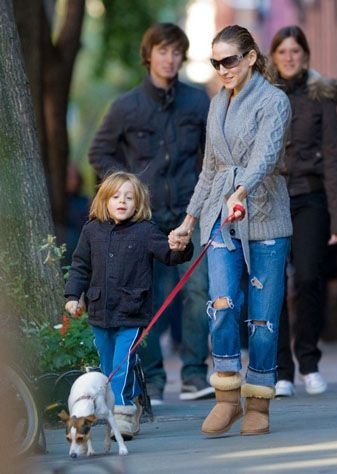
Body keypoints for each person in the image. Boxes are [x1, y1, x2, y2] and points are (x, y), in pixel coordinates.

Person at [170, 24, 292, 436]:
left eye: (230, 60)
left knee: (262, 319)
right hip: (219, 219)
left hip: (265, 216)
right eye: (215, 62)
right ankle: (226, 396)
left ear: (251, 58)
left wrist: (240, 192)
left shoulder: (275, 101)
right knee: (221, 304)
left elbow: (265, 157)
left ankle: (258, 401)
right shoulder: (216, 102)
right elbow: (210, 169)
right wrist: (189, 221)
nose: (222, 69)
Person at [89, 22, 212, 404]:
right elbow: (98, 153)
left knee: (198, 291)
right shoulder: (126, 106)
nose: (170, 58)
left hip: (192, 212)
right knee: (149, 298)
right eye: (162, 50)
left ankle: (194, 375)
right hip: (146, 220)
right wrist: (127, 190)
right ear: (149, 56)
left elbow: (213, 152)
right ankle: (153, 380)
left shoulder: (198, 102)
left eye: (176, 51)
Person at [64, 171, 193, 440]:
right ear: (104, 200)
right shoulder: (91, 230)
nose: (122, 201)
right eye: (116, 196)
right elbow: (80, 266)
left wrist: (181, 246)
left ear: (138, 203)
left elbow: (170, 254)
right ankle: (131, 401)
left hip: (132, 311)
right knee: (107, 363)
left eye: (129, 197)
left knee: (122, 363)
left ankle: (121, 414)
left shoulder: (145, 231)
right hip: (99, 311)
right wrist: (73, 297)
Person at [269, 26, 337, 397]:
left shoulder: (322, 96)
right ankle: (282, 371)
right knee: (274, 283)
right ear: (273, 56)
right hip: (271, 198)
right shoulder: (261, 95)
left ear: (305, 55)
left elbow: (333, 156)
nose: (290, 57)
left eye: (296, 50)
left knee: (310, 277)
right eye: (283, 51)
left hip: (311, 198)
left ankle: (309, 362)